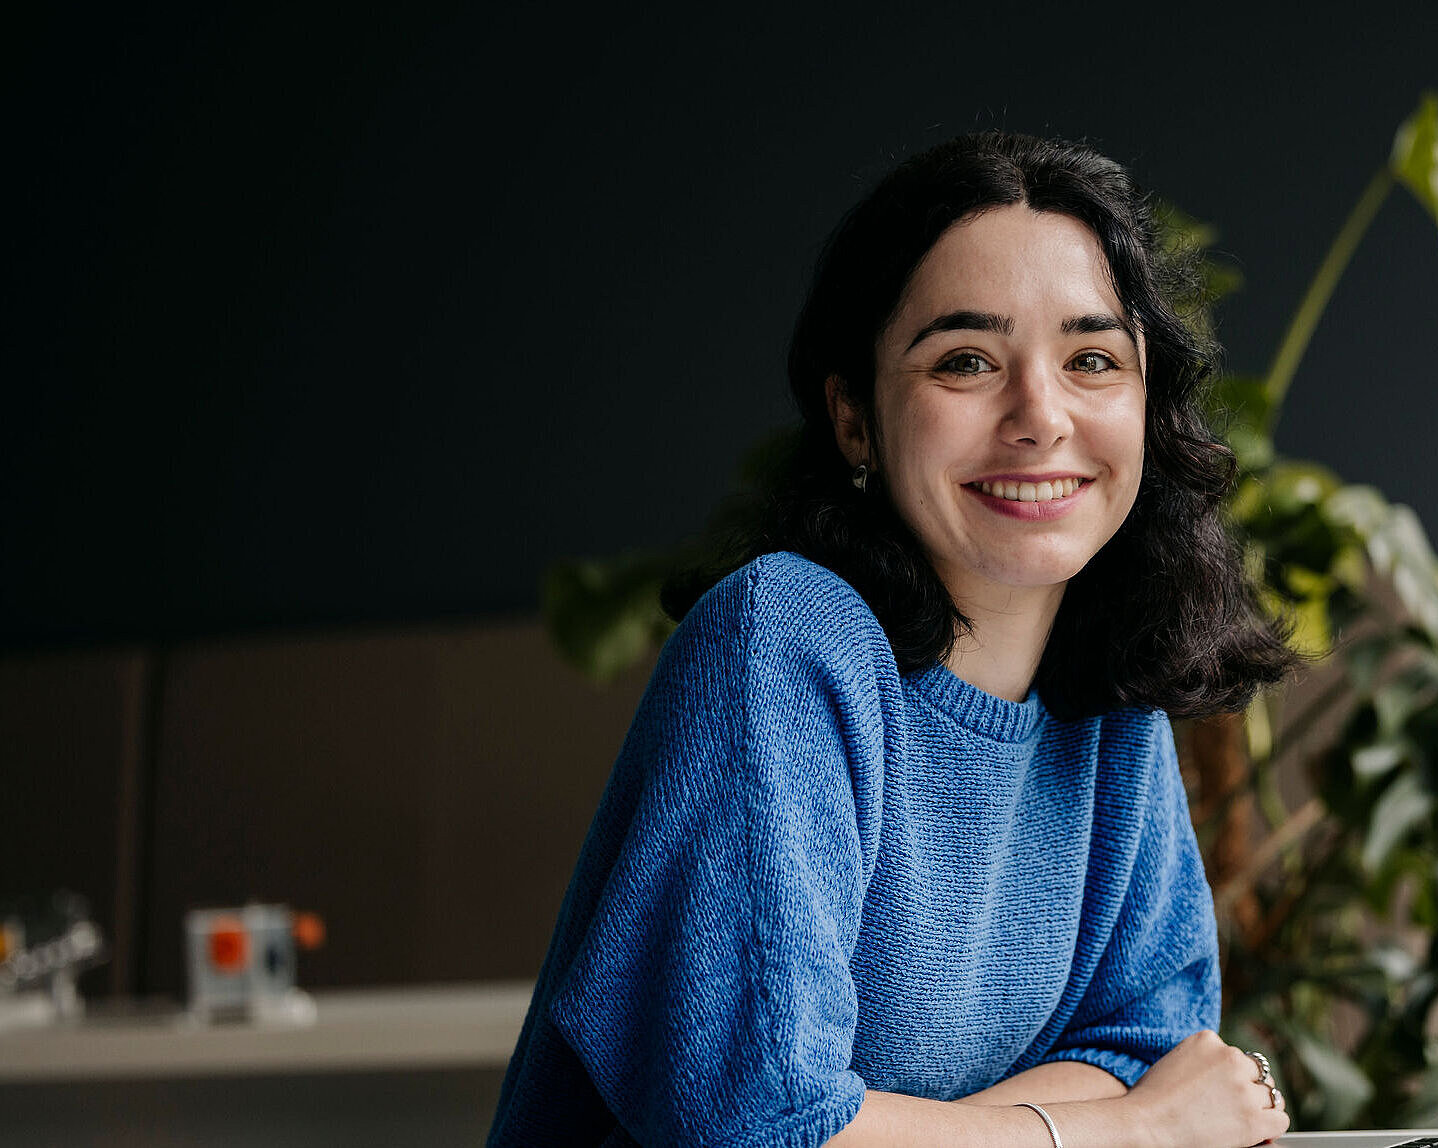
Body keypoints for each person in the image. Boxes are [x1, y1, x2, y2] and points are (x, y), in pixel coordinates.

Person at [488, 130, 1302, 1148]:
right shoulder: (781, 639)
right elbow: (761, 1123)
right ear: (854, 419)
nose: (1039, 415)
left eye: (1092, 357)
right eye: (965, 359)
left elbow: (1151, 1045)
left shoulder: (1107, 693)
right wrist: (1124, 1133)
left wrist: (897, 1131)